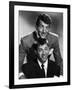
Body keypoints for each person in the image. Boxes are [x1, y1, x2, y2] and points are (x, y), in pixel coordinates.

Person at [19, 14, 63, 78]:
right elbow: (17, 64)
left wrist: (60, 77)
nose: (44, 31)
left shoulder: (54, 39)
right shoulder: (25, 41)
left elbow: (59, 61)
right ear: (36, 27)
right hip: (30, 73)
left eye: (47, 27)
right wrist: (22, 76)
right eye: (41, 26)